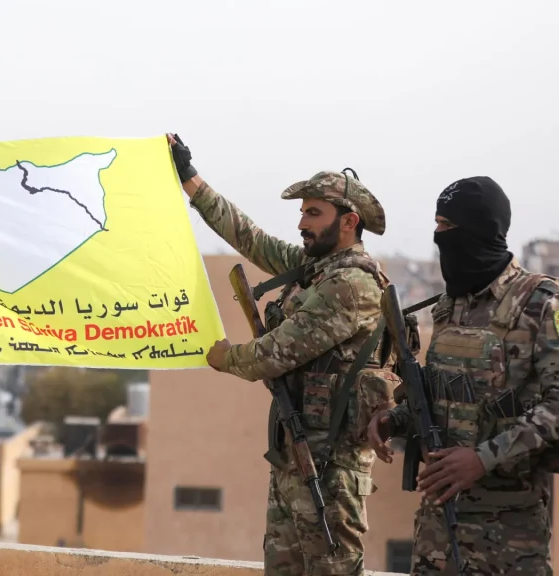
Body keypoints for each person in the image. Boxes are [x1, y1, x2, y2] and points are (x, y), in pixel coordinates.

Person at [169, 134, 397, 575]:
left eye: (314, 213)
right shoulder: (318, 268)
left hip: (330, 471)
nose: (302, 223)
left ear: (348, 222)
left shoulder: (351, 284)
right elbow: (250, 238)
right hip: (295, 458)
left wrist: (225, 356)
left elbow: (274, 354)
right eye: (302, 212)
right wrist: (190, 179)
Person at [367, 176, 558, 574]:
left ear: (480, 229)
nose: (439, 235)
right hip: (438, 526)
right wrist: (395, 419)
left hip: (509, 534)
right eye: (437, 223)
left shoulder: (542, 304)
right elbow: (445, 394)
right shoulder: (449, 305)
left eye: (448, 225)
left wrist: (482, 458)